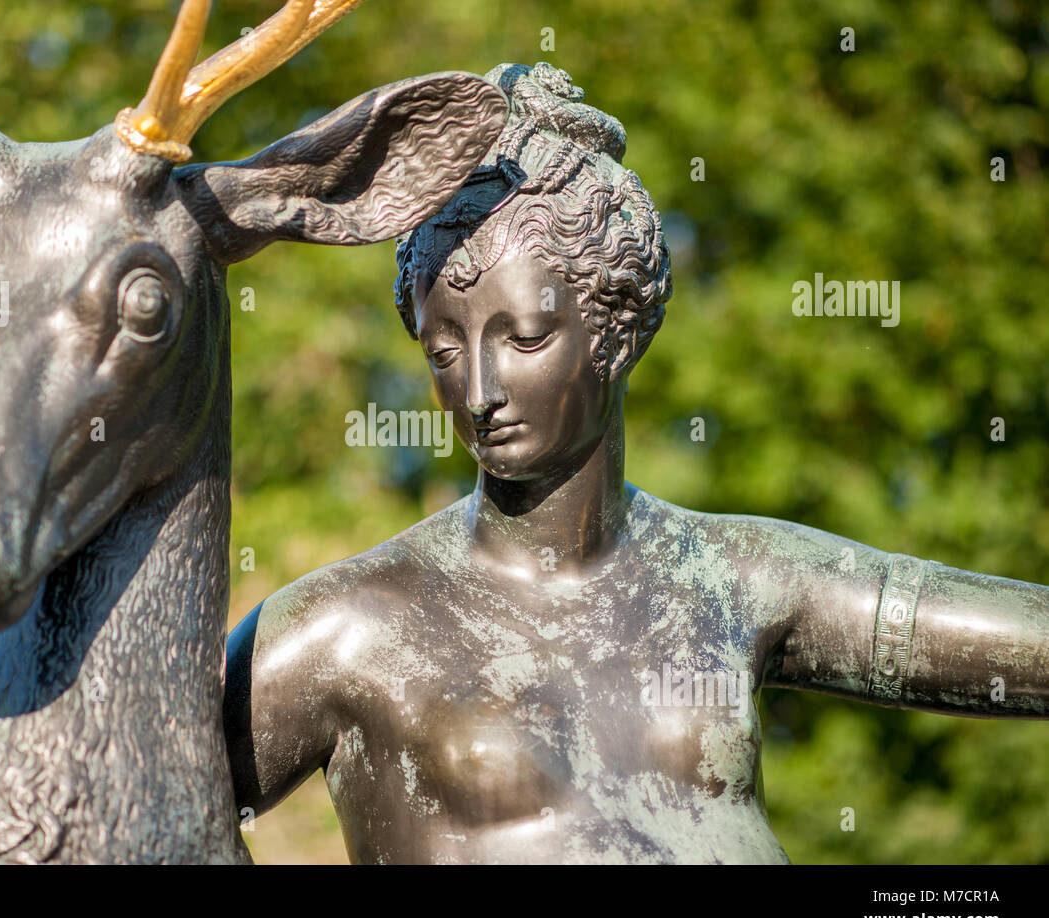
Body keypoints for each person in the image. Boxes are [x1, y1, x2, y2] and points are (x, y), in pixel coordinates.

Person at [223, 62, 1048, 863]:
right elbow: (127, 795)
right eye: (444, 350)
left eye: (524, 338)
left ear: (616, 330)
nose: (478, 392)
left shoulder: (735, 577)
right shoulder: (349, 630)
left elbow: (1009, 646)